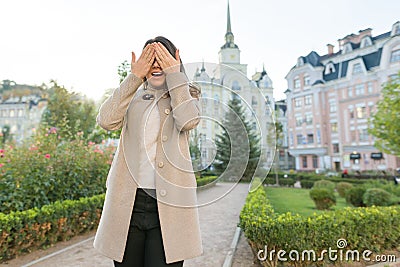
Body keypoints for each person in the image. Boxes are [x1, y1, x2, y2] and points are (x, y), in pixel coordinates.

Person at [93, 36, 203, 267]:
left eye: (161, 58)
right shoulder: (131, 95)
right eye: (150, 59)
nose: (155, 64)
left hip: (169, 207)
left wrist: (175, 76)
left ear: (175, 61)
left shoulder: (187, 95)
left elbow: (187, 121)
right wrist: (133, 77)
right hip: (128, 203)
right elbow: (105, 120)